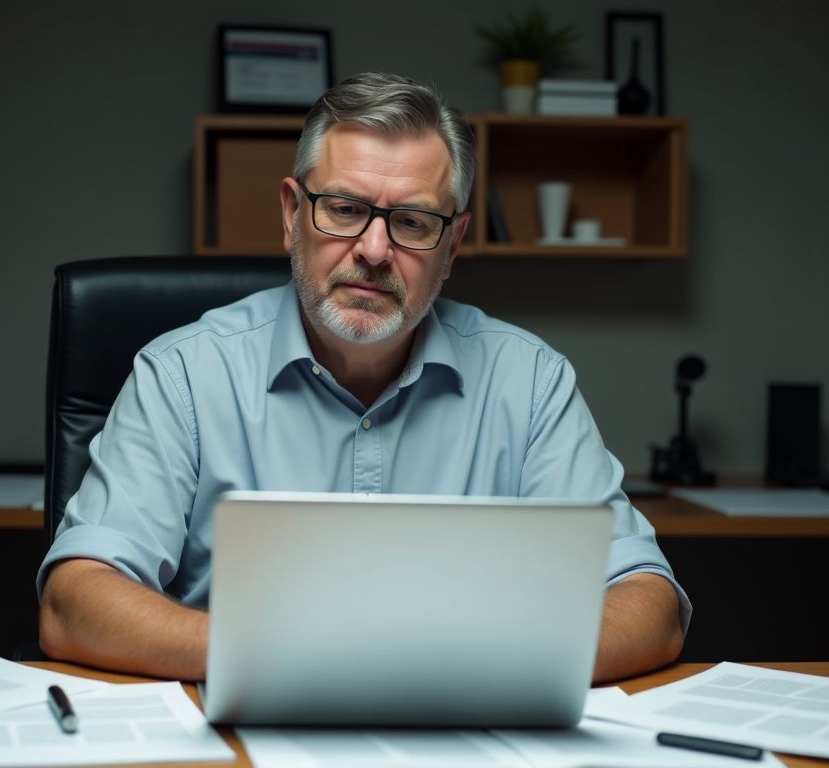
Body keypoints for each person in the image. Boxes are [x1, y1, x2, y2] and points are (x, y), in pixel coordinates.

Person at [38, 72, 690, 682]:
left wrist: (459, 674)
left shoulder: (528, 381)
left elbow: (648, 603)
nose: (374, 251)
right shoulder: (182, 373)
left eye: (412, 222)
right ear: (293, 214)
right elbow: (73, 602)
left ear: (453, 245)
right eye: (345, 209)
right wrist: (286, 659)